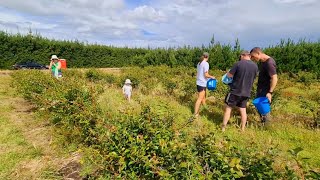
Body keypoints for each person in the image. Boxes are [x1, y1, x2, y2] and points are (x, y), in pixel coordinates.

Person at [222, 51, 258, 131]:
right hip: (247, 92)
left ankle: (223, 128)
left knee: (228, 108)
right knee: (243, 110)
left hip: (235, 91)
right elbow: (254, 78)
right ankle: (242, 129)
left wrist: (228, 73)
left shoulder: (238, 63)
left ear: (242, 56)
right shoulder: (255, 66)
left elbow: (229, 75)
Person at [250, 47, 278, 123]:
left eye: (253, 56)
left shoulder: (269, 63)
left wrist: (270, 92)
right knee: (260, 108)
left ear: (258, 53)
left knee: (264, 108)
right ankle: (263, 124)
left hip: (265, 91)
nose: (252, 58)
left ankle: (267, 127)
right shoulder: (263, 62)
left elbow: (274, 78)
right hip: (261, 89)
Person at [193, 52, 216, 118]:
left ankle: (207, 110)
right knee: (200, 99)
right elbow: (206, 75)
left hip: (198, 82)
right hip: (202, 83)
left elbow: (199, 74)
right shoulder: (206, 64)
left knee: (203, 99)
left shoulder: (199, 63)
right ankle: (195, 114)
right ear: (207, 57)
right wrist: (212, 77)